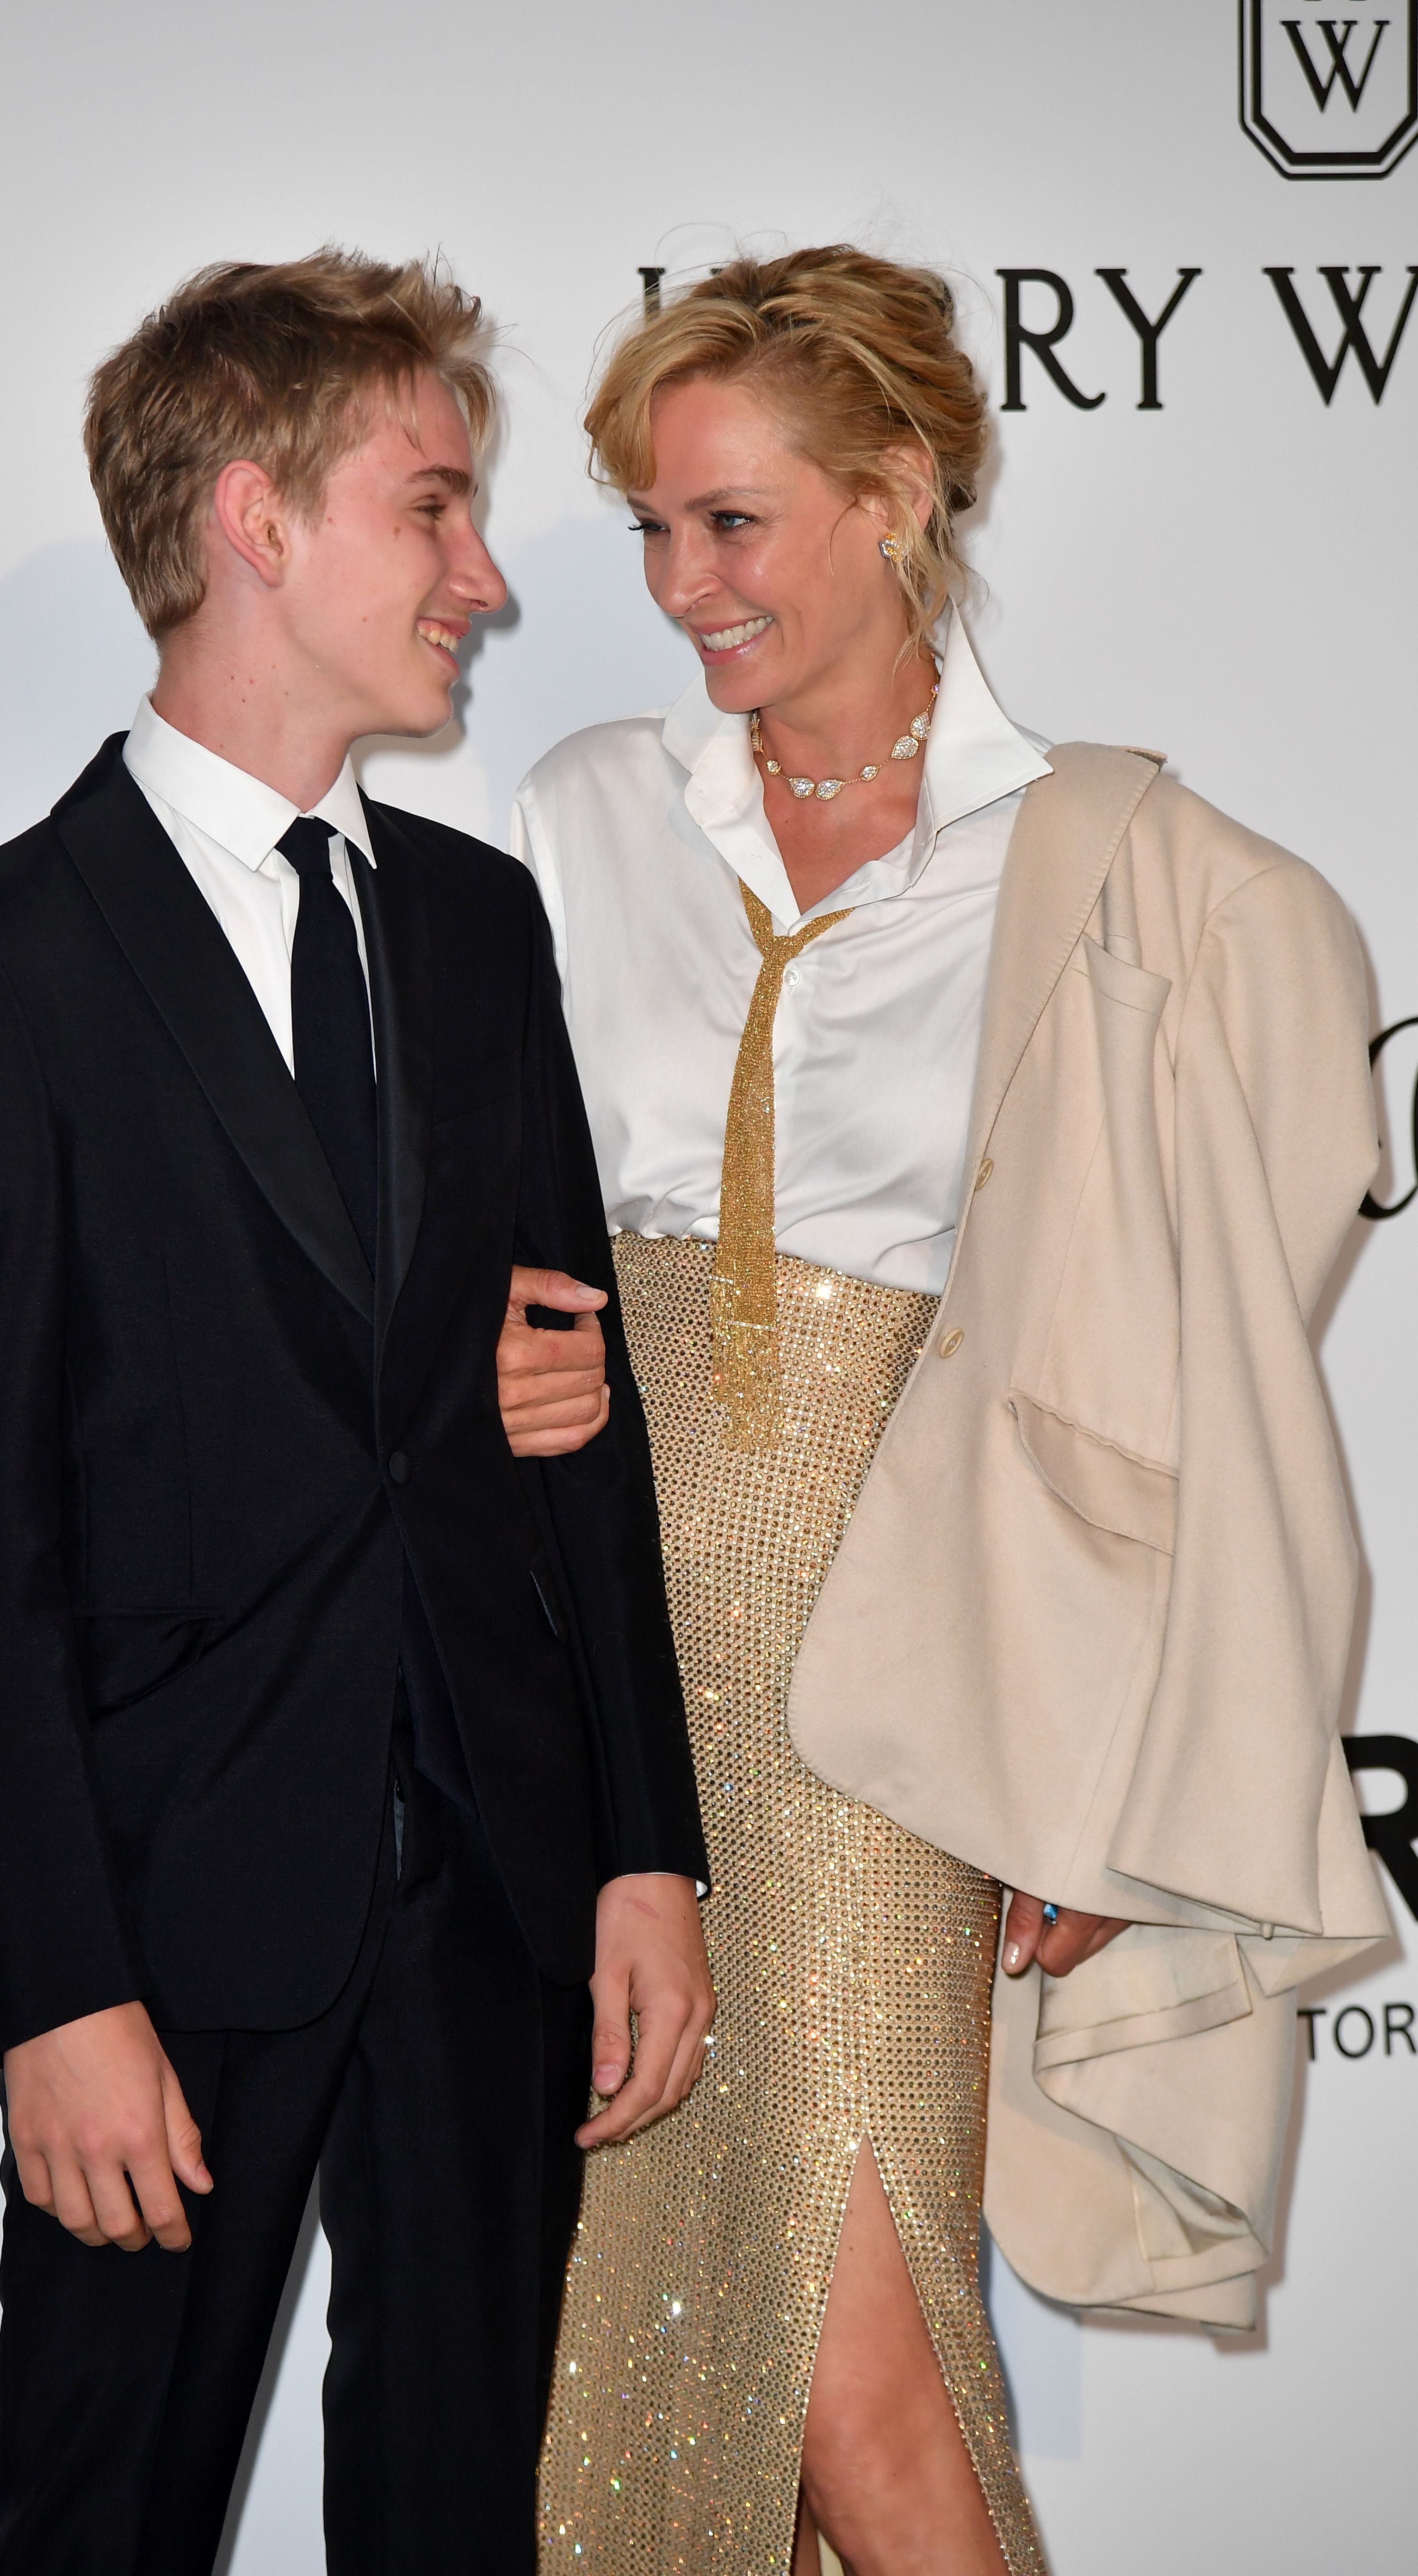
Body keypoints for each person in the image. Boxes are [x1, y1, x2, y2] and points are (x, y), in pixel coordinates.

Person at [507, 247, 1388, 2576]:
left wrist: (1109, 1740)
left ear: (895, 497)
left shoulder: (1105, 860)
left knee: (850, 2359)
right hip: (596, 1671)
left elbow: (1194, 1338)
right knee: (641, 2358)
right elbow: (465, 1208)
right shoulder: (581, 811)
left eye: (733, 522)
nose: (681, 584)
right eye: (654, 527)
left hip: (894, 1680)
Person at [0, 250, 713, 2576]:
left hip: (493, 1907)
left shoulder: (471, 923)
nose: (485, 576)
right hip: (164, 1929)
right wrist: (52, 1991)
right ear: (253, 517)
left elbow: (576, 1411)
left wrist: (643, 1849)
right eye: (430, 507)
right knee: (106, 2533)